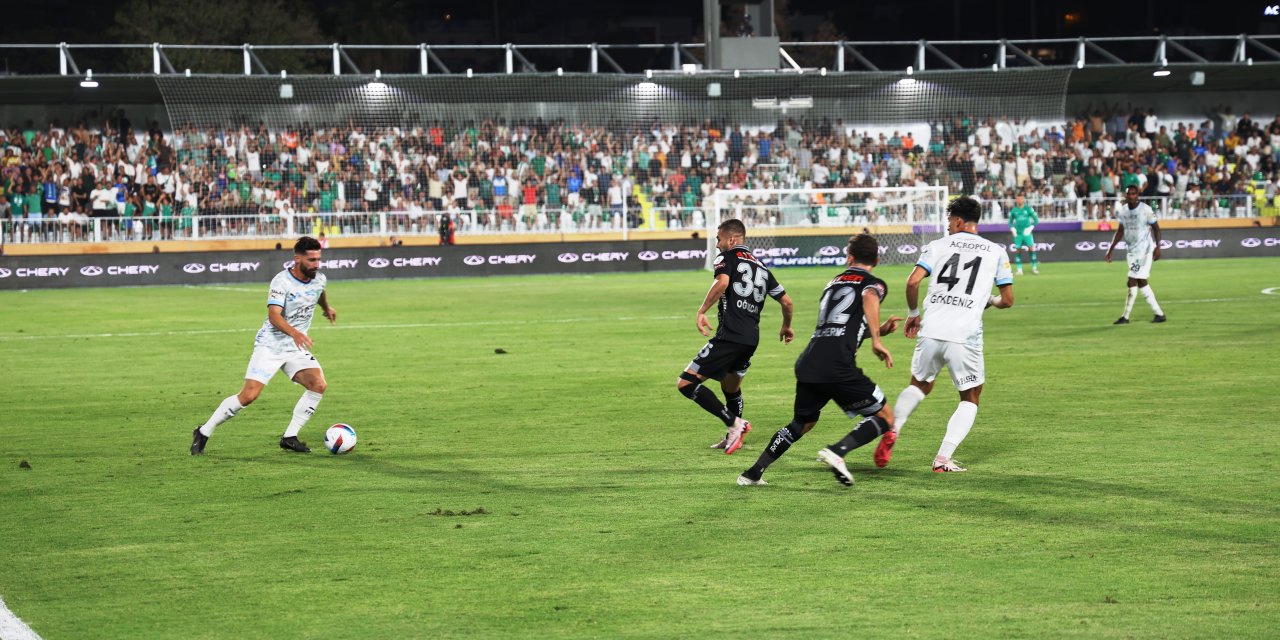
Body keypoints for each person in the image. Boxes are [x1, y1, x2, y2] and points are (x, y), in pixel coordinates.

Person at [737, 234, 903, 487]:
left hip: (809, 362)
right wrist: (878, 340)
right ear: (877, 260)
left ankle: (753, 472)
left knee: (802, 423)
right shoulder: (874, 283)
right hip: (837, 365)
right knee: (885, 417)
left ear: (849, 258)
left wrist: (878, 330)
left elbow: (841, 326)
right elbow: (869, 296)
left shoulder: (833, 282)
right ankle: (838, 451)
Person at [875, 196, 1014, 473]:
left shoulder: (936, 246)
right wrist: (989, 301)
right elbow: (1007, 300)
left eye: (950, 221)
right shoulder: (996, 251)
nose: (948, 226)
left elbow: (913, 281)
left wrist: (913, 313)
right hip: (965, 334)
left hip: (932, 329)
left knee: (919, 385)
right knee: (970, 396)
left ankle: (895, 429)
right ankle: (942, 460)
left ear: (960, 220)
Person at [190, 236, 337, 455]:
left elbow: (319, 292)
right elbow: (274, 316)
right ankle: (203, 431)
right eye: (311, 260)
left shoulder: (319, 278)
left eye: (318, 260)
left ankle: (289, 437)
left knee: (318, 385)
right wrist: (295, 332)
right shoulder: (281, 281)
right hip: (270, 345)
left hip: (294, 347)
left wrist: (327, 308)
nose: (316, 265)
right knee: (248, 396)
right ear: (298, 259)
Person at [677, 218, 794, 455]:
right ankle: (733, 432)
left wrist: (702, 311)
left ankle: (735, 424)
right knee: (731, 388)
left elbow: (722, 283)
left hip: (729, 336)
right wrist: (786, 326)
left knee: (686, 383)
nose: (717, 244)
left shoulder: (727, 258)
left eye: (719, 239)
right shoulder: (762, 267)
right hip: (751, 339)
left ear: (731, 239)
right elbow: (787, 301)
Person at [1105, 185, 1166, 324]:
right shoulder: (1123, 211)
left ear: (1137, 195)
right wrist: (1110, 250)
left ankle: (1125, 317)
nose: (1131, 196)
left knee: (1132, 280)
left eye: (1134, 194)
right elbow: (1120, 231)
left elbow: (1156, 228)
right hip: (1132, 251)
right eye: (1129, 194)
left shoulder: (1146, 210)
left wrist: (1158, 247)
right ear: (1126, 196)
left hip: (1144, 251)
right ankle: (1159, 314)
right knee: (1141, 282)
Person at [1008, 194, 1040, 275]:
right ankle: (1019, 270)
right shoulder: (1014, 210)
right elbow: (1010, 222)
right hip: (1018, 234)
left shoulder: (1028, 209)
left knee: (1031, 248)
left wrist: (1030, 228)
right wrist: (1012, 229)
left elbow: (1036, 220)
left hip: (1027, 233)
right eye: (1017, 199)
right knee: (1018, 250)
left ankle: (1034, 268)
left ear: (1023, 200)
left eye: (1020, 199)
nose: (1019, 200)